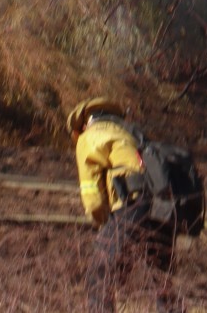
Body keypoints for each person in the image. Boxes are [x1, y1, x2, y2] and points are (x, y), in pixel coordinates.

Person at [67, 95, 181, 313]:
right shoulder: (129, 134)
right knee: (161, 283)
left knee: (99, 277)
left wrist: (105, 226)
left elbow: (93, 200)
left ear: (83, 123)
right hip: (163, 208)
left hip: (132, 207)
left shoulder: (90, 137)